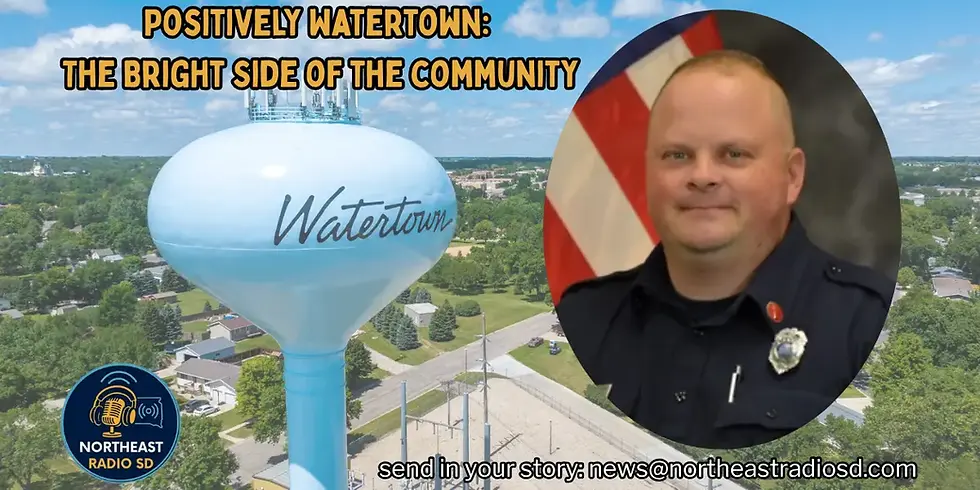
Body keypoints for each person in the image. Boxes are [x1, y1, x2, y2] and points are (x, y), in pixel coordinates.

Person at [555, 50, 894, 449]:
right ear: (649, 173)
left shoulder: (860, 322)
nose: (702, 176)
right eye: (677, 155)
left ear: (791, 176)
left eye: (734, 154)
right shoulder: (587, 315)